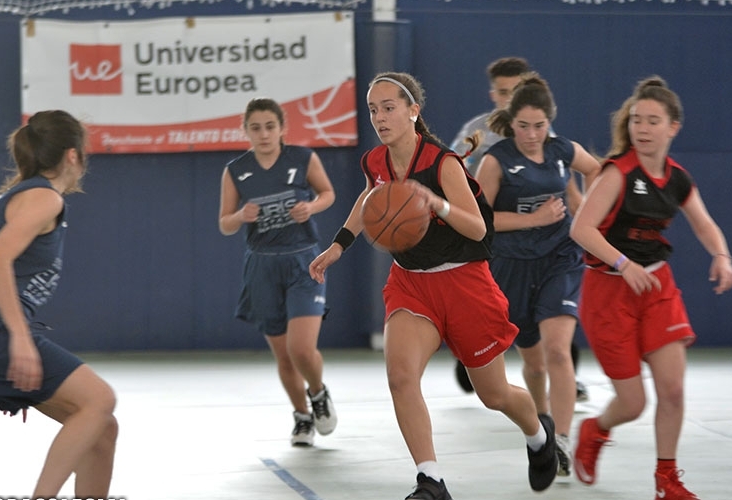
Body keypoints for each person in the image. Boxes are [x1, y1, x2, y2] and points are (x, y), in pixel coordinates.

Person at [309, 72, 557, 499]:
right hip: (411, 284)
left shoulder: (443, 163)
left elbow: (479, 229)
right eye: (373, 109)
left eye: (389, 107)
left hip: (465, 283)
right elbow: (371, 197)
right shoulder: (375, 161)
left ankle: (538, 434)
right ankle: (431, 481)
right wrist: (338, 246)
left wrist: (436, 204)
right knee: (401, 376)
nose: (380, 117)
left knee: (494, 394)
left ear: (413, 111)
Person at [569, 76, 732, 500]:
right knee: (632, 403)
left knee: (674, 389)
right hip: (609, 289)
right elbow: (582, 229)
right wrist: (623, 263)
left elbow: (702, 222)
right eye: (637, 120)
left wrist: (721, 255)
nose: (642, 128)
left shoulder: (678, 179)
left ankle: (667, 480)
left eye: (653, 121)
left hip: (656, 285)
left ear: (673, 127)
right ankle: (595, 429)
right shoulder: (617, 172)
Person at [0, 110, 118, 497]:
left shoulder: (30, 195)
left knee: (101, 428)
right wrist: (20, 339)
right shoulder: (44, 197)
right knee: (100, 399)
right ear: (73, 156)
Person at [474, 72, 601, 479]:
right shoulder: (495, 161)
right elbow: (479, 219)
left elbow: (597, 170)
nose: (532, 134)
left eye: (540, 125)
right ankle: (544, 425)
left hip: (561, 258)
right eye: (524, 126)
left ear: (551, 121)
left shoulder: (563, 150)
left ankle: (562, 439)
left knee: (559, 350)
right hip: (510, 266)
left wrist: (585, 208)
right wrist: (535, 218)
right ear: (511, 122)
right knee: (533, 361)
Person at [450, 57, 590, 403]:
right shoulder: (480, 137)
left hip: (554, 249)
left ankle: (564, 385)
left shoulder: (547, 137)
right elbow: (453, 178)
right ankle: (479, 358)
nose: (531, 133)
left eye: (514, 90)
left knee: (556, 331)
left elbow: (569, 187)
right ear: (494, 95)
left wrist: (588, 221)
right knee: (511, 329)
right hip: (503, 246)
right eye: (502, 91)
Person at [219, 97, 338, 447]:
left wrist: (311, 207)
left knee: (302, 349)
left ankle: (318, 393)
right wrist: (241, 216)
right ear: (245, 131)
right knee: (284, 354)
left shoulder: (302, 158)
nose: (264, 134)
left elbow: (328, 193)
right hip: (262, 264)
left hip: (303, 260)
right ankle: (302, 417)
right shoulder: (236, 170)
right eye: (255, 127)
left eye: (270, 126)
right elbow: (224, 223)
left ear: (282, 128)